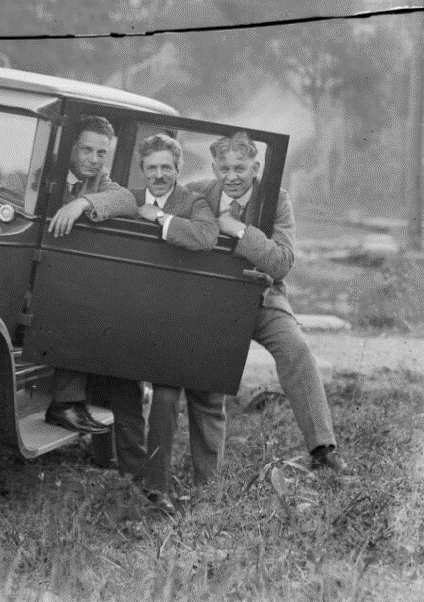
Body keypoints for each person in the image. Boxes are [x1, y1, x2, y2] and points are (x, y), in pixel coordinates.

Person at [189, 131, 348, 474]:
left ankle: (323, 449)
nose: (232, 177)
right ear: (214, 167)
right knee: (208, 377)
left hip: (262, 296)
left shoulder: (275, 199)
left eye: (240, 168)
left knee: (297, 350)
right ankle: (208, 477)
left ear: (256, 167)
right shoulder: (199, 192)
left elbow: (282, 262)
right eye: (224, 168)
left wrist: (239, 230)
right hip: (215, 301)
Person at [42, 117, 144, 483]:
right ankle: (67, 403)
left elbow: (128, 199)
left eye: (102, 153)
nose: (95, 159)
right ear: (70, 148)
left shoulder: (99, 184)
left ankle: (74, 406)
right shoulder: (41, 173)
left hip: (66, 283)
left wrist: (82, 202)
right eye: (87, 149)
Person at [129, 134, 221, 515]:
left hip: (180, 313)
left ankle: (158, 489)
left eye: (167, 167)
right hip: (138, 307)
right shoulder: (132, 199)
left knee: (166, 397)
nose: (159, 174)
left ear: (178, 169)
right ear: (142, 170)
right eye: (152, 167)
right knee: (121, 390)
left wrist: (163, 219)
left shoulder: (192, 202)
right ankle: (135, 478)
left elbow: (206, 235)